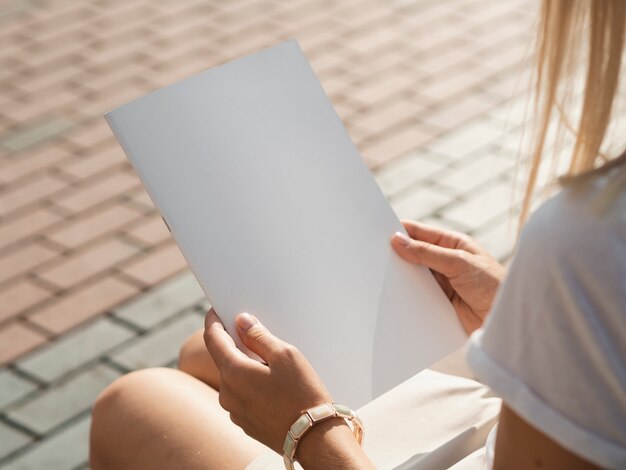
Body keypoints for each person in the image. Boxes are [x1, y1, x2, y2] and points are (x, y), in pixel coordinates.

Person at [89, 1, 626, 468]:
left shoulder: (588, 233)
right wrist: (525, 314)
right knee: (206, 355)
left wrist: (310, 431)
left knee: (134, 402)